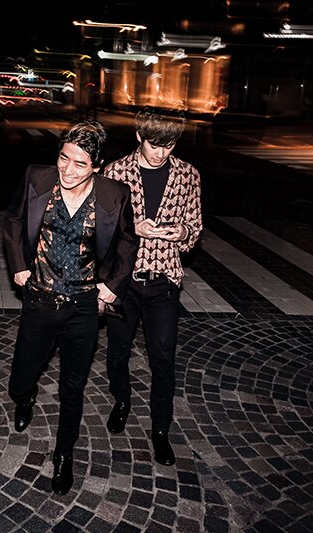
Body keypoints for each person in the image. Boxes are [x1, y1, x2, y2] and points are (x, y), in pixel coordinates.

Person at [3, 121, 137, 495]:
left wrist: (112, 286)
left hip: (83, 306)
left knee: (72, 388)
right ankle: (25, 397)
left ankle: (64, 455)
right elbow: (13, 219)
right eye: (64, 158)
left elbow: (127, 243)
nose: (68, 169)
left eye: (80, 163)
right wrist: (18, 264)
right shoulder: (37, 178)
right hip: (39, 299)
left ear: (97, 165)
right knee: (19, 380)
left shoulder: (114, 194)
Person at [102, 106, 202, 466]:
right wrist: (134, 228)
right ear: (139, 137)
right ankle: (122, 400)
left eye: (169, 145)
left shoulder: (188, 175)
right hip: (124, 281)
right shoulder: (115, 172)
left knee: (163, 358)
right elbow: (101, 232)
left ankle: (161, 429)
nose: (161, 153)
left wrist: (182, 232)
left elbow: (195, 227)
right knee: (117, 351)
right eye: (154, 144)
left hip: (164, 281)